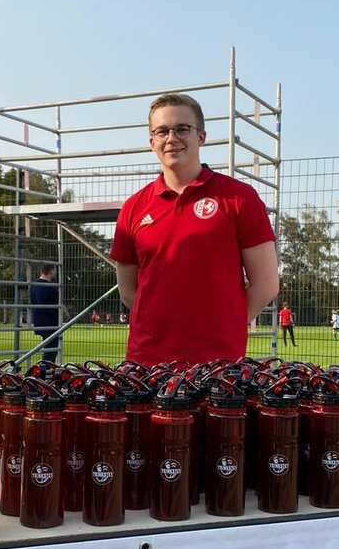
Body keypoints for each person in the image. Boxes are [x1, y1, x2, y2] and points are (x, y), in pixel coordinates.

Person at [110, 93, 278, 365]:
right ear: (152, 142)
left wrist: (225, 325)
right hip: (146, 363)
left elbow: (266, 284)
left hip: (217, 363)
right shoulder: (133, 208)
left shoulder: (239, 198)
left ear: (201, 136)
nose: (171, 138)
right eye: (162, 131)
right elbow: (129, 292)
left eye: (182, 129)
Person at [29, 263, 62, 363]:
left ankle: (45, 367)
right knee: (51, 349)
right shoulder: (50, 287)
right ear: (51, 271)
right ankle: (45, 369)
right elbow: (57, 302)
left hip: (38, 320)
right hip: (50, 322)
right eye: (55, 270)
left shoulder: (33, 285)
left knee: (49, 347)